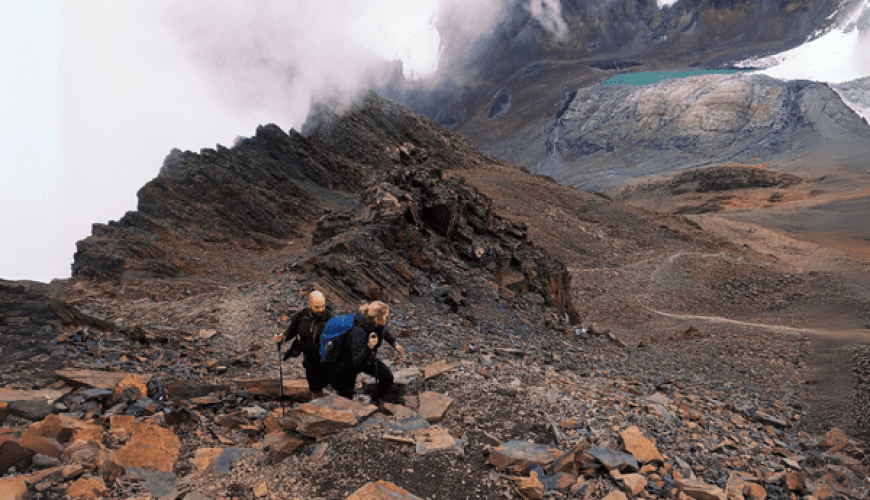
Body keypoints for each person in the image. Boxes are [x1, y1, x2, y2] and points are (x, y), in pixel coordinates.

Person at [332, 300, 405, 402]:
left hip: (366, 356)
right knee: (346, 397)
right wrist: (369, 346)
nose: (388, 318)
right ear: (376, 318)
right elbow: (356, 362)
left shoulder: (377, 323)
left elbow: (383, 329)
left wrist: (394, 343)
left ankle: (374, 400)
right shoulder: (358, 331)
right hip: (348, 363)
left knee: (387, 378)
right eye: (385, 317)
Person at [273, 291, 333, 396]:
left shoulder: (329, 317)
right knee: (314, 384)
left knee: (326, 382)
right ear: (309, 304)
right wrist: (281, 337)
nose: (320, 310)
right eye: (317, 307)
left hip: (325, 357)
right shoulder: (300, 317)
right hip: (309, 356)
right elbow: (290, 331)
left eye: (322, 306)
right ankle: (316, 402)